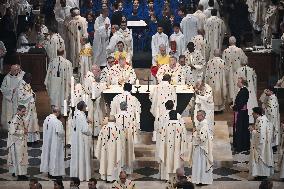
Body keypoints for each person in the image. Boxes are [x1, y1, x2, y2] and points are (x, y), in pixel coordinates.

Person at [158, 110, 188, 180]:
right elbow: (184, 139)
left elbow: (162, 139)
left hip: (167, 148)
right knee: (177, 160)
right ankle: (178, 176)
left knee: (167, 159)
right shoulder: (181, 125)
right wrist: (183, 149)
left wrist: (162, 148)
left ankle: (166, 177)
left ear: (169, 116)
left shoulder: (165, 125)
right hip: (178, 149)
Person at [40, 106, 65, 178]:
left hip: (47, 141)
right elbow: (60, 133)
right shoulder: (57, 121)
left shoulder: (47, 118)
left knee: (48, 156)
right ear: (57, 112)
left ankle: (49, 172)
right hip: (55, 142)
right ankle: (54, 174)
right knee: (55, 157)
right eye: (59, 112)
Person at [250, 107, 274, 180]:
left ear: (257, 113)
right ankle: (260, 174)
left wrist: (252, 130)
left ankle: (262, 175)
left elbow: (261, 135)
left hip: (261, 145)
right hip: (263, 144)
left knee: (261, 159)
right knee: (260, 160)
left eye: (253, 113)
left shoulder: (261, 121)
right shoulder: (262, 119)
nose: (252, 114)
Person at [95, 116, 122, 182]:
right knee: (113, 161)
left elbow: (99, 141)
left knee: (105, 160)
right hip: (113, 150)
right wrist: (119, 149)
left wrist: (99, 148)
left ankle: (105, 177)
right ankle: (112, 178)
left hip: (105, 149)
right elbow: (119, 142)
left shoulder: (103, 128)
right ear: (114, 121)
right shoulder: (117, 128)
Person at [70, 101, 92, 181]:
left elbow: (74, 125)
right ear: (82, 107)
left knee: (77, 156)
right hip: (82, 139)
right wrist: (90, 126)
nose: (86, 108)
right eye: (85, 106)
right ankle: (82, 175)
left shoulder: (76, 114)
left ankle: (76, 173)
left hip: (76, 139)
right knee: (82, 156)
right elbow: (85, 130)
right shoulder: (81, 116)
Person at [190, 110, 213, 185]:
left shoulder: (204, 125)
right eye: (196, 115)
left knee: (201, 164)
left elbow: (202, 138)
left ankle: (202, 180)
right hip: (200, 147)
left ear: (203, 116)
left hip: (201, 149)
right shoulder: (201, 124)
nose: (196, 116)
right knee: (199, 164)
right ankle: (200, 179)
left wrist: (194, 134)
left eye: (198, 115)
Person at [150, 74, 177, 140]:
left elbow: (151, 97)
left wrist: (155, 103)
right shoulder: (171, 87)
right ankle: (167, 136)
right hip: (168, 108)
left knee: (158, 121)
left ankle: (156, 138)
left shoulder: (157, 87)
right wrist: (173, 108)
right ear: (169, 80)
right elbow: (174, 99)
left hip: (159, 108)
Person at [16, 73, 40, 143]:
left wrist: (33, 94)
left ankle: (34, 138)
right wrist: (31, 95)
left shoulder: (27, 83)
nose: (30, 80)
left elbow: (31, 92)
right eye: (29, 78)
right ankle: (27, 140)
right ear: (25, 78)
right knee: (27, 123)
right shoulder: (21, 85)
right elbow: (21, 97)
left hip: (31, 107)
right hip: (26, 107)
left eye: (31, 78)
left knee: (33, 122)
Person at [222, 36, 248, 102]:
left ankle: (230, 100)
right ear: (235, 41)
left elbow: (223, 63)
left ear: (229, 42)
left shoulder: (225, 51)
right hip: (238, 70)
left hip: (228, 72)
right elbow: (244, 61)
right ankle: (238, 98)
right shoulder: (239, 50)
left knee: (230, 84)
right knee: (237, 83)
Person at [7, 105, 28, 180]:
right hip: (16, 142)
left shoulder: (20, 117)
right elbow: (12, 131)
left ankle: (15, 171)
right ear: (18, 111)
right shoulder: (15, 119)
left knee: (18, 158)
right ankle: (20, 175)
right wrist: (23, 131)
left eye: (25, 111)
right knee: (19, 158)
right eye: (23, 111)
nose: (24, 113)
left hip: (19, 140)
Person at [83, 65, 105, 136]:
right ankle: (93, 133)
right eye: (98, 71)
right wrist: (103, 86)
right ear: (94, 70)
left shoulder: (89, 76)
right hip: (90, 99)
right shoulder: (91, 78)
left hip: (89, 98)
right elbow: (95, 92)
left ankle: (94, 132)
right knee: (93, 114)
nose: (99, 73)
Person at [0, 64, 25, 129]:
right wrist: (11, 91)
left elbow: (24, 87)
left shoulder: (21, 77)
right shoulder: (7, 78)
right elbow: (2, 88)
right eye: (13, 70)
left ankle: (18, 126)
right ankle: (8, 127)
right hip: (9, 99)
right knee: (9, 113)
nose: (14, 71)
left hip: (18, 99)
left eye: (16, 70)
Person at [235, 59, 258, 123]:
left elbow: (236, 81)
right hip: (250, 89)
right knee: (251, 104)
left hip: (242, 89)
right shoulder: (251, 70)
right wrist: (254, 90)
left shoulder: (238, 70)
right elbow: (255, 81)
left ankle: (243, 119)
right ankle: (251, 120)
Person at [231, 77, 250, 152]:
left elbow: (241, 104)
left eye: (238, 82)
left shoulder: (244, 91)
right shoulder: (243, 90)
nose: (237, 83)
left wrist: (234, 107)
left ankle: (240, 147)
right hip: (241, 112)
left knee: (240, 129)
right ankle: (239, 145)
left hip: (241, 113)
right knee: (240, 129)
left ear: (242, 83)